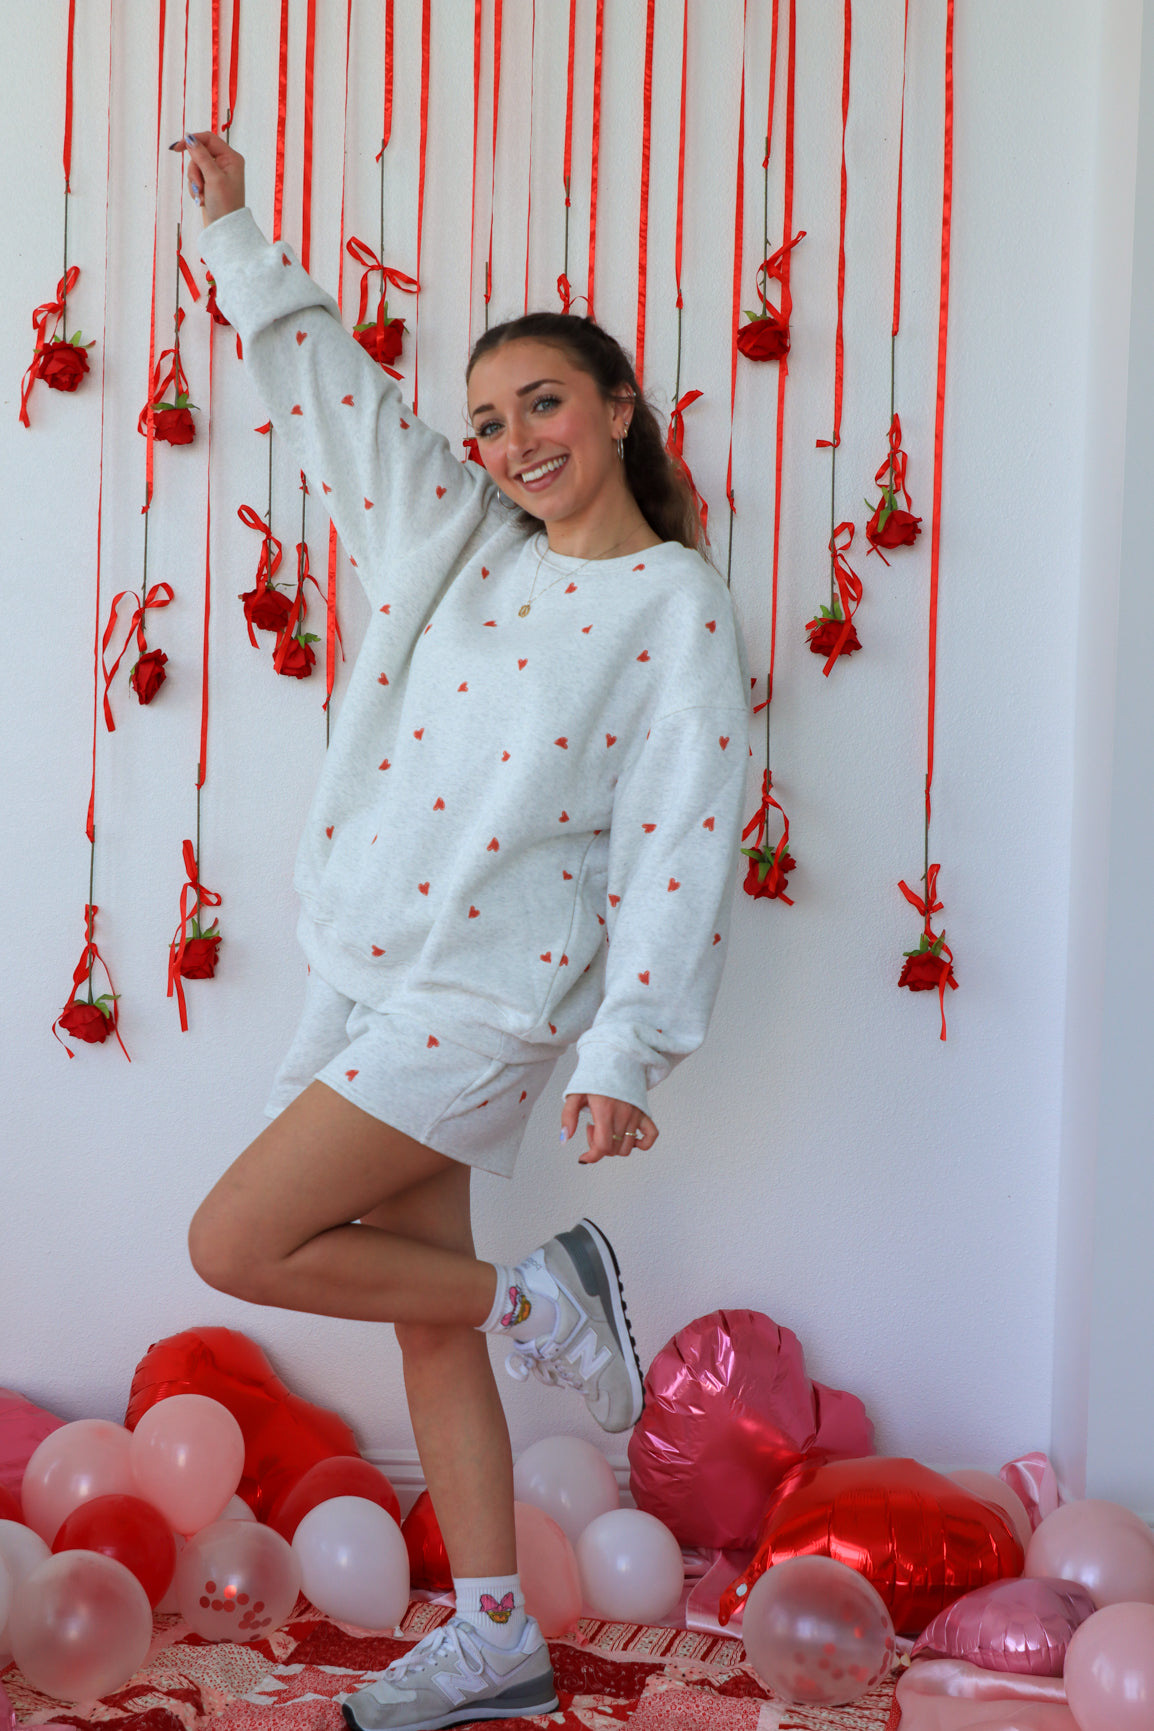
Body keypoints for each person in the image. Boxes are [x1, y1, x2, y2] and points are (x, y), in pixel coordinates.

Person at [179, 130, 750, 1730]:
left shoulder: (674, 609)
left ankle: (543, 1294)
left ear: (620, 409)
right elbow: (336, 401)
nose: (508, 440)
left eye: (543, 403)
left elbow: (681, 835)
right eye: (487, 417)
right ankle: (495, 1628)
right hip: (373, 974)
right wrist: (231, 239)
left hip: (489, 999)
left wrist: (631, 1042)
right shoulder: (456, 544)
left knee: (237, 1242)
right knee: (427, 1312)